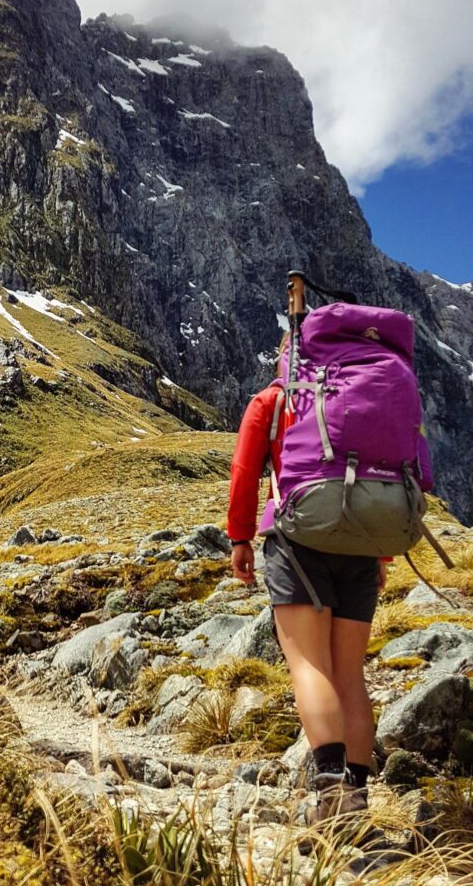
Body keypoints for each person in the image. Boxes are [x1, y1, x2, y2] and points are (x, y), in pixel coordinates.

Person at [226, 335, 389, 842]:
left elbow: (244, 471)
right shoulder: (362, 400)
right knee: (350, 675)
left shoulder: (273, 401)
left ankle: (332, 798)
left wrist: (240, 538)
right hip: (362, 545)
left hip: (297, 544)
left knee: (310, 667)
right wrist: (381, 554)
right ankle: (357, 800)